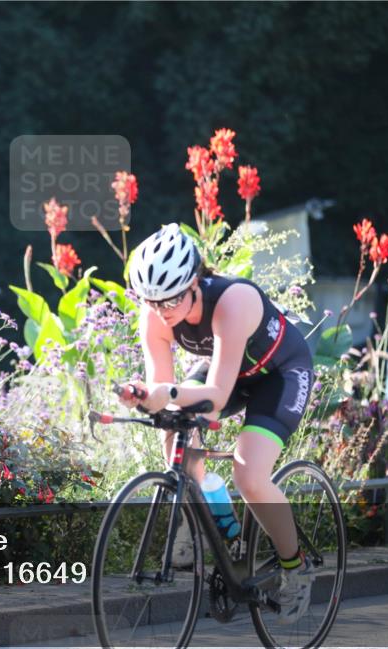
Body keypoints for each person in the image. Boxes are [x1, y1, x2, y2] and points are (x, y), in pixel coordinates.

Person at [118, 223, 315, 625]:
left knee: (249, 475)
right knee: (174, 431)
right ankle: (214, 518)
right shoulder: (154, 316)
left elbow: (218, 396)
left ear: (194, 281)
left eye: (171, 298)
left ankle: (296, 568)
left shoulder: (233, 300)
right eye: (152, 301)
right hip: (228, 373)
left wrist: (167, 393)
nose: (162, 310)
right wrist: (145, 395)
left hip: (279, 374)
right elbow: (163, 389)